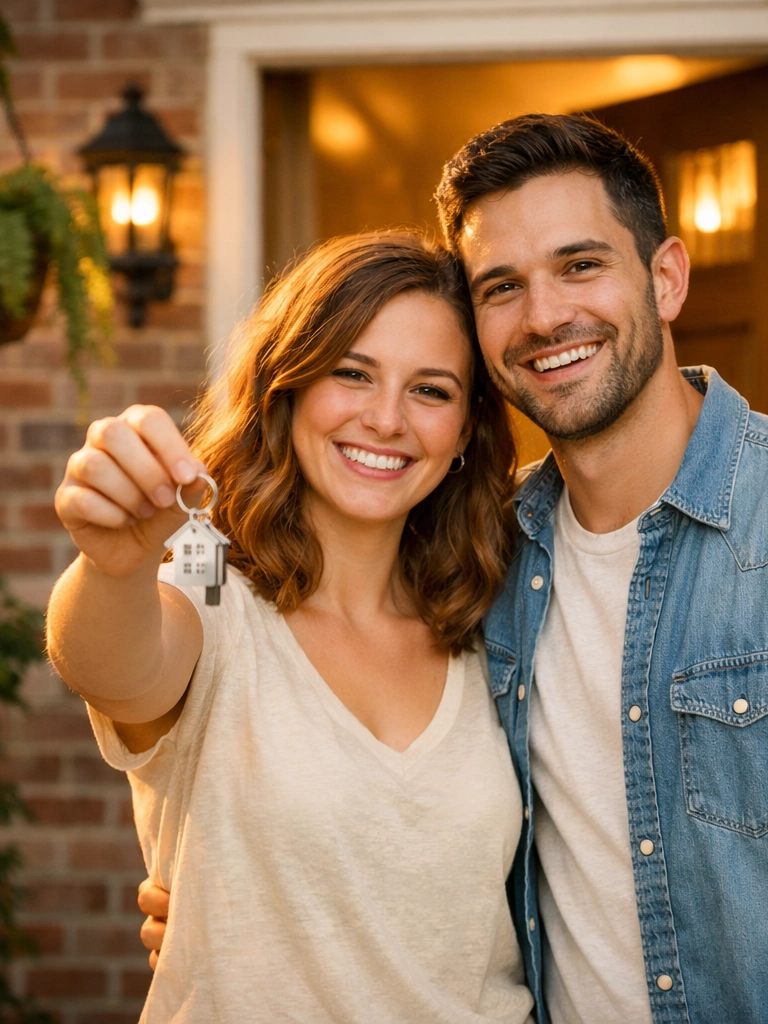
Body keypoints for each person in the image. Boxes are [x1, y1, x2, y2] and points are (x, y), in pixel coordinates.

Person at [139, 115, 768, 1024]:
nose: (544, 317)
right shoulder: (477, 556)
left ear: (666, 278)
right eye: (502, 286)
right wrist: (236, 899)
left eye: (580, 265)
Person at [46, 232, 535, 1023]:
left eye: (431, 390)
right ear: (289, 385)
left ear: (466, 434)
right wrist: (112, 566)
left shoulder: (493, 618)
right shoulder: (211, 589)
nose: (386, 419)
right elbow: (113, 665)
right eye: (352, 372)